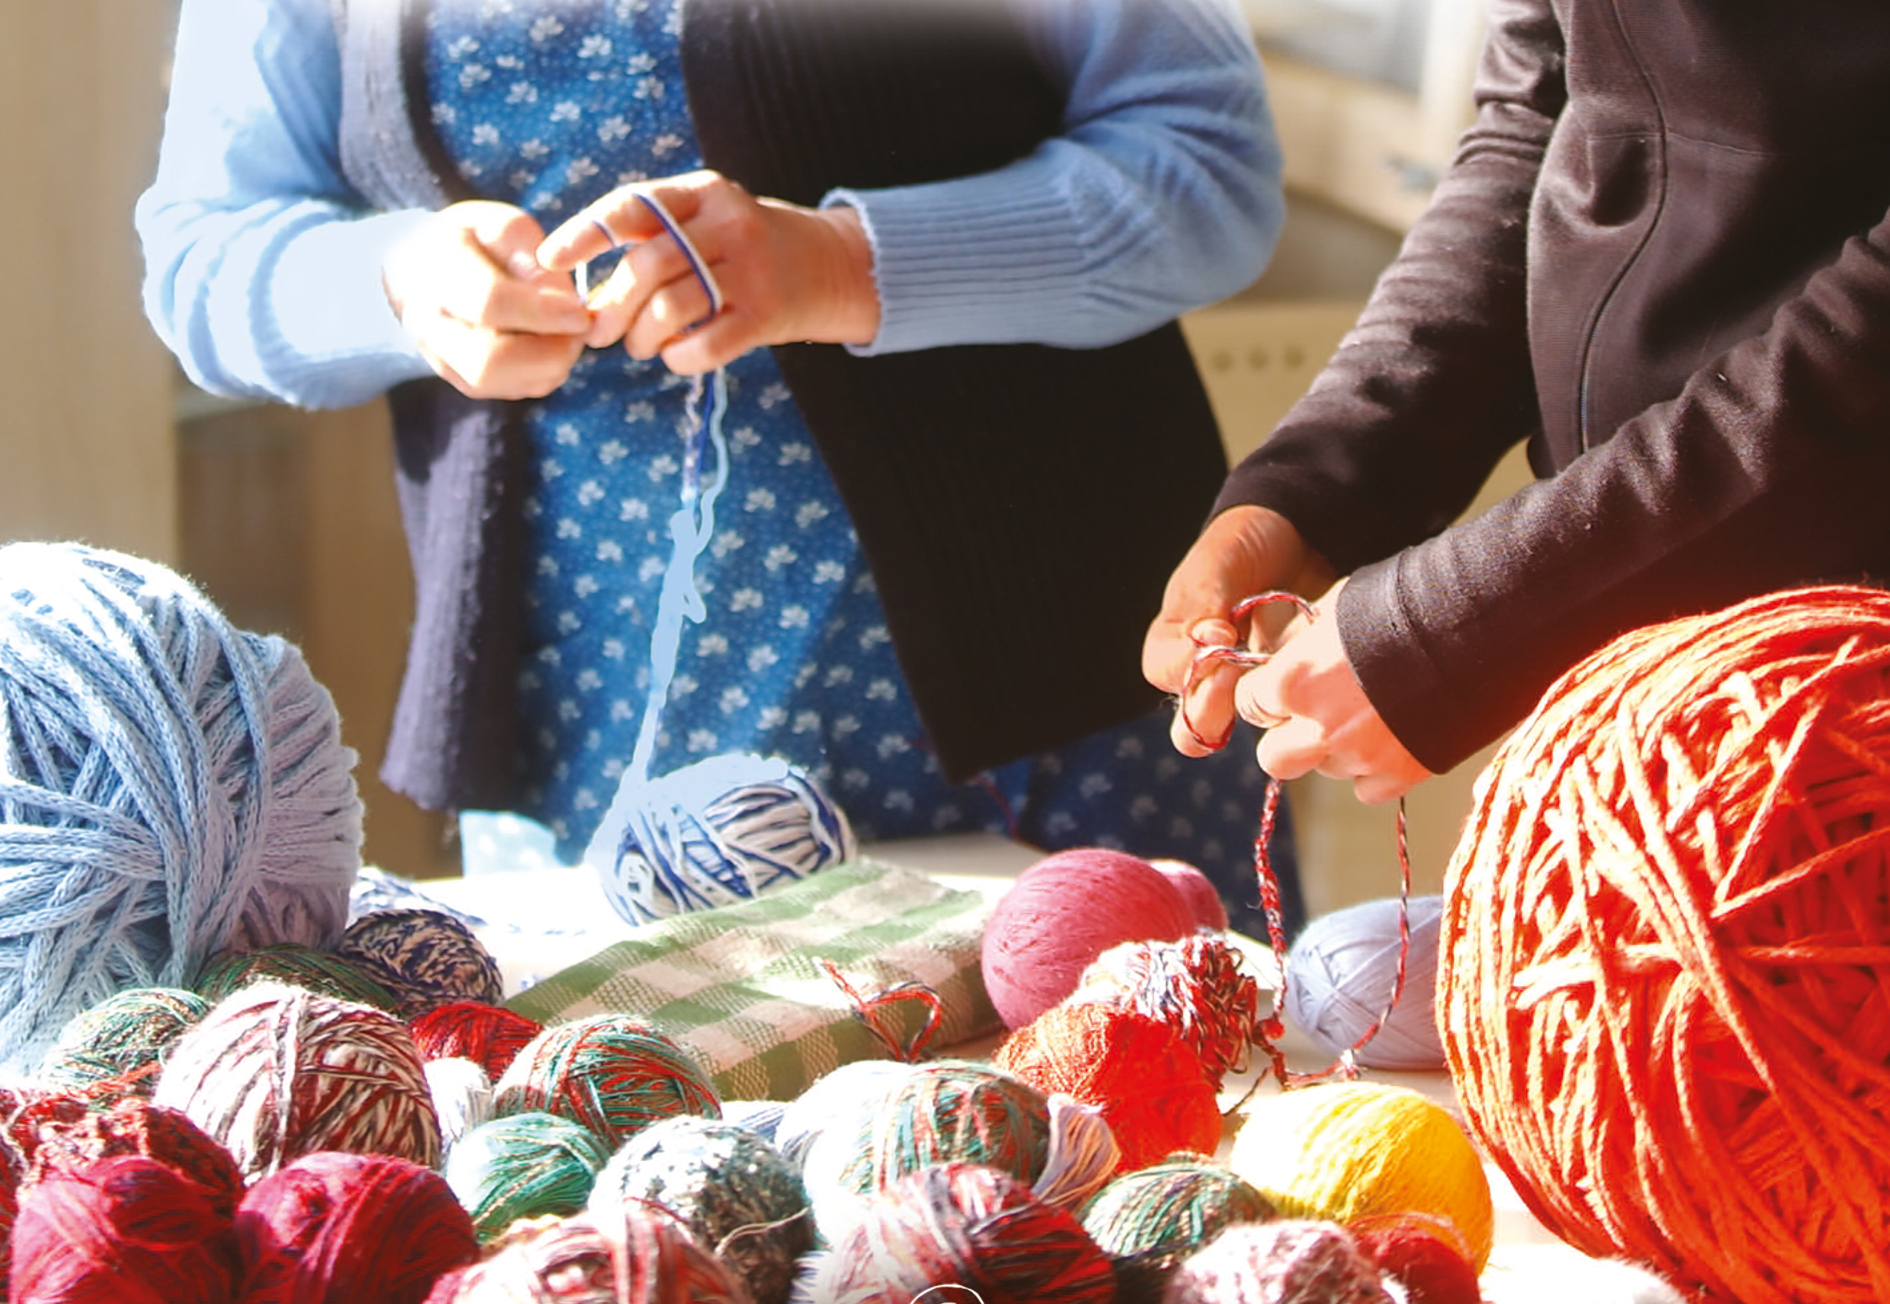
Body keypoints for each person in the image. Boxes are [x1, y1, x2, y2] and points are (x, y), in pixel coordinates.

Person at [138, 0, 1307, 934]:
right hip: (590, 731)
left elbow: (1208, 167)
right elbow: (204, 256)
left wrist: (835, 264)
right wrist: (398, 283)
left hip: (1057, 708)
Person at [1144, 1, 1890, 812]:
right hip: (1656, 693)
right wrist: (1318, 487)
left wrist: (1459, 630)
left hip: (1853, 687)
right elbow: (1544, 110)